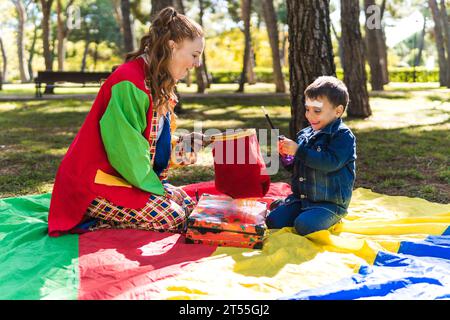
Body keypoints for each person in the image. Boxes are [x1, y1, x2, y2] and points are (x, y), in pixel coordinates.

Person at [48, 7, 209, 236]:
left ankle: (113, 214)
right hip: (93, 183)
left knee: (186, 203)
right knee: (174, 217)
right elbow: (128, 153)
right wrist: (159, 193)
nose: (197, 64)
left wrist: (185, 144)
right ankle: (89, 217)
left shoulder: (156, 82)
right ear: (172, 46)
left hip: (123, 177)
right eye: (194, 55)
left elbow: (149, 144)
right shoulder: (129, 81)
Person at [266, 76, 357, 236]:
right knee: (273, 221)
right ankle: (288, 206)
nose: (310, 115)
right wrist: (287, 157)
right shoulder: (304, 134)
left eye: (317, 111)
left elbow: (330, 163)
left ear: (338, 111)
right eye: (307, 109)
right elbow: (296, 167)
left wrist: (298, 151)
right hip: (302, 199)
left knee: (304, 226)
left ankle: (334, 217)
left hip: (329, 203)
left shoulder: (342, 136)